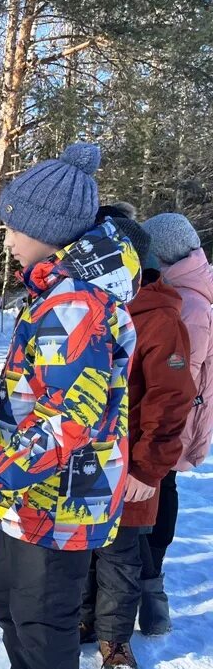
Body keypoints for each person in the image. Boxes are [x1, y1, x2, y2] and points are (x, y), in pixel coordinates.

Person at [0, 143, 139, 669]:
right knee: (11, 603)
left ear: (47, 232)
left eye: (12, 225)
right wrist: (1, 479)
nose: (5, 236)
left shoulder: (73, 303)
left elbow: (70, 419)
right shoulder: (53, 292)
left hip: (62, 495)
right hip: (34, 489)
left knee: (40, 620)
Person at [78, 215, 194, 669]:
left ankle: (116, 639)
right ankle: (84, 620)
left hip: (129, 466)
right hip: (83, 461)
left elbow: (171, 399)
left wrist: (148, 470)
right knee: (81, 549)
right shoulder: (92, 306)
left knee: (120, 558)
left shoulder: (159, 318)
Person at [136, 213, 213, 634]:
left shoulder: (189, 302)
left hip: (176, 416)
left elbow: (182, 374)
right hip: (178, 411)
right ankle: (149, 591)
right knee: (161, 488)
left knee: (159, 488)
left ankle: (152, 593)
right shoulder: (187, 289)